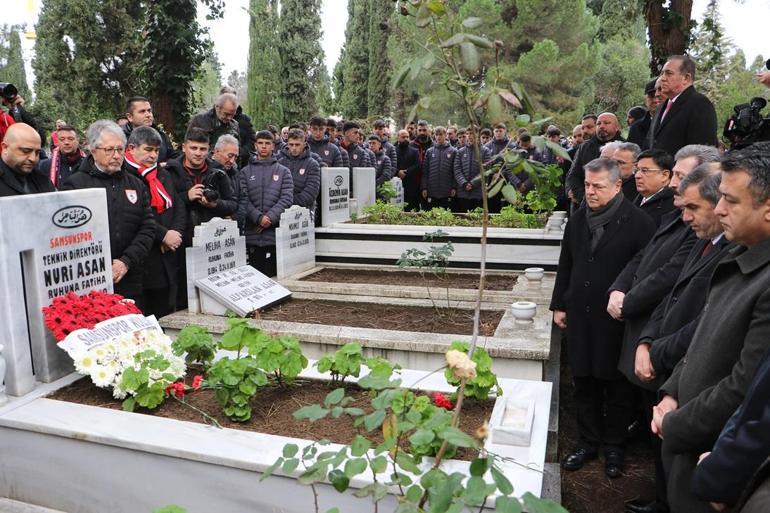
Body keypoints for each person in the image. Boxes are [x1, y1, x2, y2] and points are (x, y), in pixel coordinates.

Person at [652, 142, 770, 513]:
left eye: (731, 202)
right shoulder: (738, 255)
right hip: (687, 433)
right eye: (719, 198)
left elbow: (745, 385)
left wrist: (676, 424)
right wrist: (671, 389)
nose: (719, 211)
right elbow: (702, 337)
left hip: (711, 447)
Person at [551, 158, 656, 479]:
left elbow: (644, 270)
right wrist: (559, 304)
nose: (590, 192)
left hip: (616, 320)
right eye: (587, 185)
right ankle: (587, 442)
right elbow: (566, 263)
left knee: (616, 386)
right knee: (584, 381)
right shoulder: (578, 219)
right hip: (580, 314)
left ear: (616, 185)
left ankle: (614, 446)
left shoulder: (639, 222)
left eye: (598, 186)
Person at [61, 120, 155, 306]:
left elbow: (147, 228)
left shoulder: (135, 184)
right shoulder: (75, 185)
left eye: (120, 150)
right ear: (93, 150)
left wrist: (126, 261)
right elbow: (69, 235)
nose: (116, 156)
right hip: (91, 282)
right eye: (109, 150)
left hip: (130, 277)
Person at [124, 126, 186, 318]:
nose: (153, 156)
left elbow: (178, 206)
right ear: (132, 148)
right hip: (143, 255)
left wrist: (175, 234)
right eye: (148, 150)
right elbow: (135, 215)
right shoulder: (125, 175)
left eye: (157, 151)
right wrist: (163, 236)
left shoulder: (161, 173)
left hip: (166, 254)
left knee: (165, 311)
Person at [239, 130, 293, 277]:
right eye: (260, 143)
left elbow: (287, 198)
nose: (264, 146)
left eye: (267, 143)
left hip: (274, 235)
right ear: (255, 145)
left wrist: (269, 218)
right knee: (255, 277)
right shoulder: (244, 172)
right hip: (252, 235)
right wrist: (257, 218)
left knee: (275, 278)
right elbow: (243, 199)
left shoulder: (283, 172)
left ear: (273, 146)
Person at [650, 55, 718, 156]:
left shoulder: (700, 105)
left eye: (669, 73)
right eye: (662, 73)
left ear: (686, 78)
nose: (662, 78)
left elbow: (703, 152)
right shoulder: (662, 106)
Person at [565, 112, 624, 208]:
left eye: (606, 123)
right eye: (599, 123)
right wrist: (585, 198)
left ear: (617, 127)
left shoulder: (624, 147)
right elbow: (573, 175)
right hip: (584, 204)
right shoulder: (585, 147)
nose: (601, 126)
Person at [0, 123, 55, 196]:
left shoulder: (43, 180)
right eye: (25, 151)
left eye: (37, 152)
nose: (33, 158)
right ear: (5, 148)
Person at [122, 96, 179, 165]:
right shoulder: (120, 138)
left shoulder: (161, 135)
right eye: (142, 111)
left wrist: (166, 165)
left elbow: (174, 157)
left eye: (149, 111)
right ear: (130, 117)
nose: (148, 115)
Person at [278, 129, 321, 213]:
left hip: (304, 211)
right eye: (291, 144)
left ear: (304, 145)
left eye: (297, 145)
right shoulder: (280, 162)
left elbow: (310, 194)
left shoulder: (313, 164)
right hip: (281, 210)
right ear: (287, 144)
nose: (294, 148)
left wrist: (287, 202)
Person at [186, 93, 241, 157]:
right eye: (226, 114)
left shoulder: (234, 125)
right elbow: (190, 145)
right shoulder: (199, 120)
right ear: (217, 107)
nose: (229, 118)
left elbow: (238, 150)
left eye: (232, 115)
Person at [633, 148, 677, 226]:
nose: (637, 176)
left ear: (664, 175)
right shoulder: (636, 197)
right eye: (637, 170)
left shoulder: (674, 206)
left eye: (645, 170)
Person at [453, 128, 492, 212]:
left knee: (477, 219)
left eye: (472, 133)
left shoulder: (485, 151)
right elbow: (457, 170)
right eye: (468, 133)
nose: (470, 136)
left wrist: (473, 183)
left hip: (478, 192)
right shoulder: (460, 151)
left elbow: (485, 170)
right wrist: (464, 183)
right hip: (463, 191)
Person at [219, 86, 256, 167]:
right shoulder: (211, 119)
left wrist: (239, 152)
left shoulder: (244, 120)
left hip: (239, 163)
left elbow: (251, 140)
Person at [421, 126, 456, 209]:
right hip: (432, 190)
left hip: (447, 191)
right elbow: (425, 171)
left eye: (441, 134)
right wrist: (424, 187)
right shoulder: (429, 151)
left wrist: (454, 187)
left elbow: (455, 171)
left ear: (445, 135)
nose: (438, 137)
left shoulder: (453, 151)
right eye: (436, 135)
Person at [628, 80, 660, 150]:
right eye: (652, 96)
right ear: (646, 100)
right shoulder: (636, 128)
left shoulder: (675, 121)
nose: (655, 100)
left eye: (659, 96)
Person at [395, 129, 421, 211]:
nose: (406, 138)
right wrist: (398, 172)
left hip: (411, 186)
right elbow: (390, 165)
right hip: (396, 184)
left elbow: (418, 165)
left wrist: (406, 172)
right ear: (398, 138)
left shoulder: (415, 151)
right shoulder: (393, 150)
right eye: (403, 137)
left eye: (407, 137)